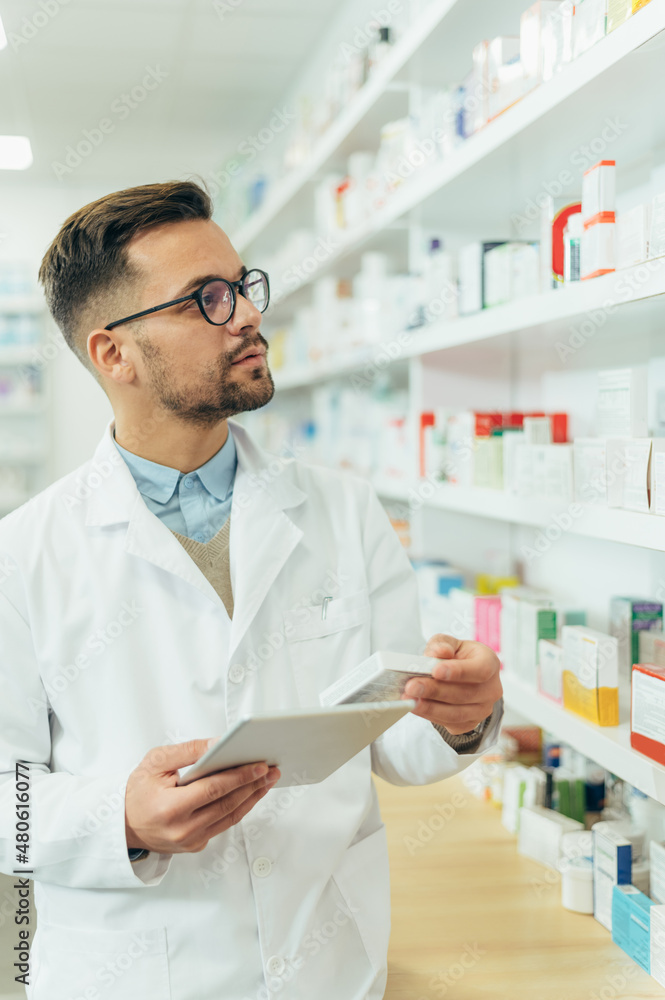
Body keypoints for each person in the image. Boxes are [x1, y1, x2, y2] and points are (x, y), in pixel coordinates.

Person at [0, 180, 503, 1000]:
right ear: (113, 353)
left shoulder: (340, 510)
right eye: (205, 299)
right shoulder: (23, 555)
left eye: (241, 285)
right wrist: (118, 816)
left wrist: (458, 717)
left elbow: (394, 744)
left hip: (328, 968)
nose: (243, 315)